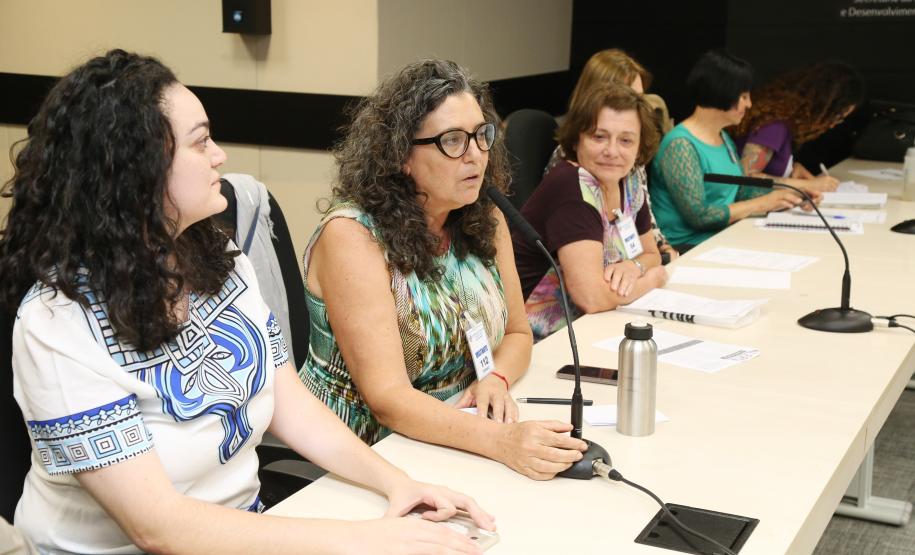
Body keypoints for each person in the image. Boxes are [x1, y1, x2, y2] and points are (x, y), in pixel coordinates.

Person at [0, 50, 493, 555]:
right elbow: (159, 528)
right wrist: (366, 540)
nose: (219, 156)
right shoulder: (58, 321)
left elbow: (289, 401)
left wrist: (397, 483)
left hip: (247, 530)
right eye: (200, 142)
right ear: (136, 170)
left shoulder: (220, 256)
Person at [299, 59, 588, 481]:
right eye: (452, 140)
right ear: (402, 156)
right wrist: (500, 443)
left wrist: (495, 377)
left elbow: (519, 334)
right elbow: (388, 399)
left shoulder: (484, 217)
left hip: (455, 439)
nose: (475, 155)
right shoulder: (353, 238)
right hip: (360, 456)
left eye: (482, 135)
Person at [515, 82, 668, 341]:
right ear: (577, 139)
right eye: (599, 137)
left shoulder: (629, 182)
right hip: (540, 341)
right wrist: (653, 279)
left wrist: (634, 266)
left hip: (593, 328)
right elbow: (592, 298)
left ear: (640, 147)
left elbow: (652, 252)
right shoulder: (572, 185)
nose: (612, 151)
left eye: (626, 140)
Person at [649, 49, 809, 252]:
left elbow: (739, 190)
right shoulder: (680, 146)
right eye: (743, 96)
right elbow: (700, 217)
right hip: (687, 248)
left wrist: (790, 195)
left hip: (722, 238)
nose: (749, 103)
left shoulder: (723, 137)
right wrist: (764, 203)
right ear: (722, 92)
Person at [552, 48, 677, 262]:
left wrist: (659, 250)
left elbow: (643, 218)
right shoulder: (571, 164)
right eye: (630, 96)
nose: (639, 105)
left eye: (640, 97)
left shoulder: (629, 159)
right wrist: (646, 267)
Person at [734, 60, 865, 188]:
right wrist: (808, 185)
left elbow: (769, 167)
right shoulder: (775, 126)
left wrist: (791, 168)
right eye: (836, 116)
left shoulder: (785, 119)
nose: (833, 125)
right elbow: (747, 178)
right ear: (821, 106)